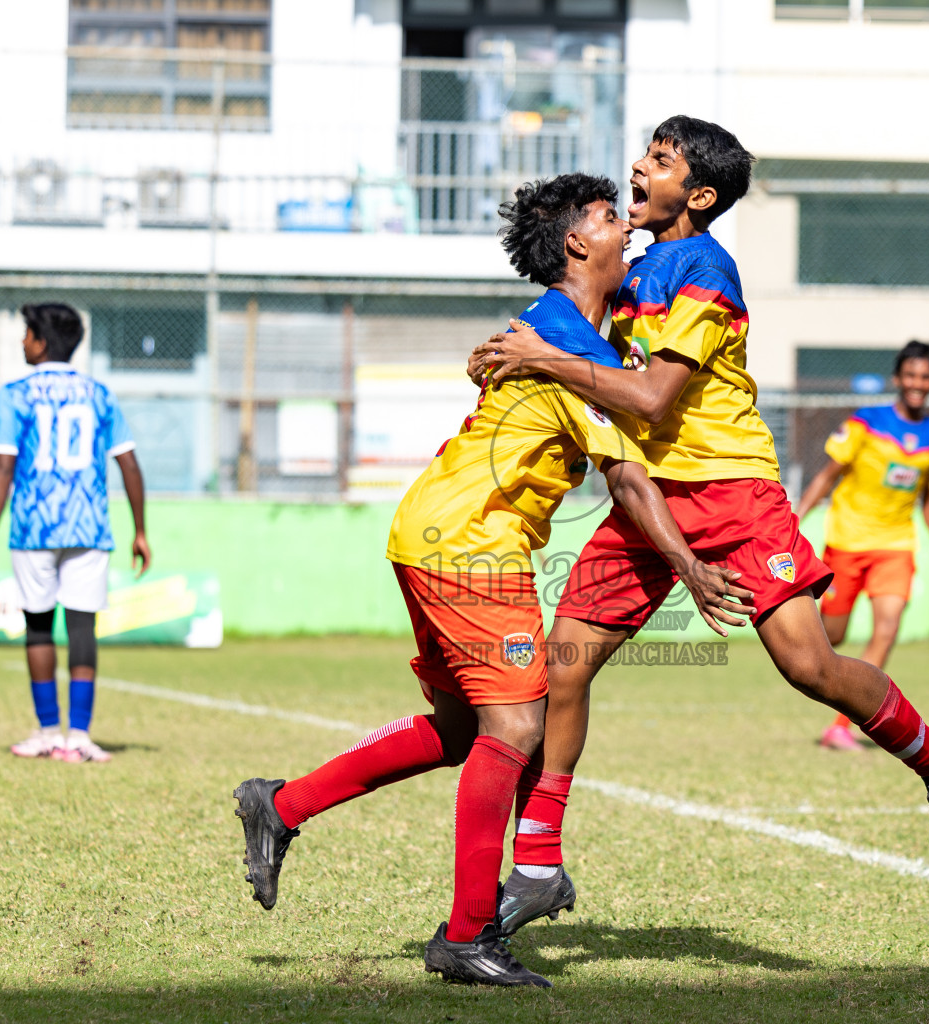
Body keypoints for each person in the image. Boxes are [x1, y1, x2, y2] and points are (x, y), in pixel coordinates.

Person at [231, 173, 748, 990]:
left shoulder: (559, 331)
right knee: (514, 728)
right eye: (614, 219)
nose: (629, 232)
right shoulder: (570, 342)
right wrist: (687, 562)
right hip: (472, 547)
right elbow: (629, 478)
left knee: (464, 730)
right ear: (579, 244)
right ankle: (468, 934)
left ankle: (282, 805)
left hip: (436, 533)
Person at [469, 116, 929, 938]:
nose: (637, 166)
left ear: (698, 196)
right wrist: (517, 344)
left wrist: (541, 357)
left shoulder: (705, 266)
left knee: (810, 667)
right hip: (649, 500)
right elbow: (583, 347)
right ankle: (536, 866)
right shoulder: (638, 268)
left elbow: (648, 398)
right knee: (564, 667)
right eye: (645, 151)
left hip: (733, 492)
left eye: (660, 161)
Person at [0, 302, 150, 764]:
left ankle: (48, 731)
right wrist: (140, 529)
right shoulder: (98, 393)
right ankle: (79, 736)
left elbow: (3, 466)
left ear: (40, 341)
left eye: (26, 333)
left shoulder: (15, 394)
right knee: (81, 627)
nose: (22, 341)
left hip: (33, 526)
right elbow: (128, 462)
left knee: (38, 626)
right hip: (89, 525)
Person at [796, 341, 929, 751]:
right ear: (899, 379)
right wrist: (796, 517)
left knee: (887, 628)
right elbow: (827, 475)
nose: (918, 384)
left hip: (896, 545)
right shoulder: (866, 423)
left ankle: (841, 726)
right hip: (847, 541)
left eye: (926, 377)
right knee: (833, 637)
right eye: (911, 375)